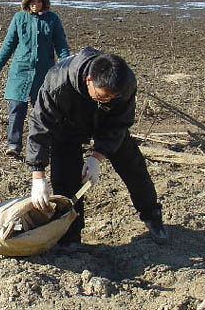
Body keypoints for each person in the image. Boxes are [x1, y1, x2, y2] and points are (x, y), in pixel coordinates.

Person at [26, 47, 169, 246]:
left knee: (134, 167)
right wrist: (38, 175)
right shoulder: (58, 82)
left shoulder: (125, 83)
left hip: (106, 124)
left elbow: (120, 123)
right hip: (67, 127)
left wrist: (97, 157)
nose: (107, 100)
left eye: (111, 98)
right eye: (102, 97)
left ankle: (152, 216)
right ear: (89, 81)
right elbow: (39, 126)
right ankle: (70, 236)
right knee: (65, 179)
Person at [0, 0, 69, 156]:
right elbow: (8, 45)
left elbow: (61, 46)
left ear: (43, 2)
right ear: (27, 2)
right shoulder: (19, 18)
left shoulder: (52, 20)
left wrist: (66, 68)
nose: (35, 4)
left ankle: (43, 145)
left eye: (38, 1)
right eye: (32, 1)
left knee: (43, 111)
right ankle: (13, 145)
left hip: (44, 73)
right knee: (16, 108)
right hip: (20, 72)